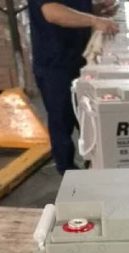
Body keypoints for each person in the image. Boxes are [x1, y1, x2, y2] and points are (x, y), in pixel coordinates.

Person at [28, 0, 119, 174]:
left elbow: (74, 6)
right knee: (62, 121)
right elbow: (52, 13)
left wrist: (95, 9)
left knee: (87, 116)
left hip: (78, 58)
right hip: (55, 64)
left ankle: (95, 163)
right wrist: (94, 20)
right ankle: (67, 171)